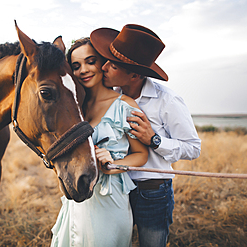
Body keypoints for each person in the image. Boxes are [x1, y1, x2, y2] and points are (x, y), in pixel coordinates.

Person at [90, 24, 202, 247]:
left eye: (112, 64)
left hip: (152, 191)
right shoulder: (111, 96)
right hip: (116, 188)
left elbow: (193, 148)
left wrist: (154, 140)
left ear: (134, 74)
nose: (104, 67)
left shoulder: (167, 101)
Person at [50, 37, 149, 247]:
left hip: (109, 199)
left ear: (102, 63)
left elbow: (142, 155)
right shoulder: (76, 107)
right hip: (77, 197)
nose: (83, 70)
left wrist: (115, 164)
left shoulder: (124, 105)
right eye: (76, 66)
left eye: (90, 61)